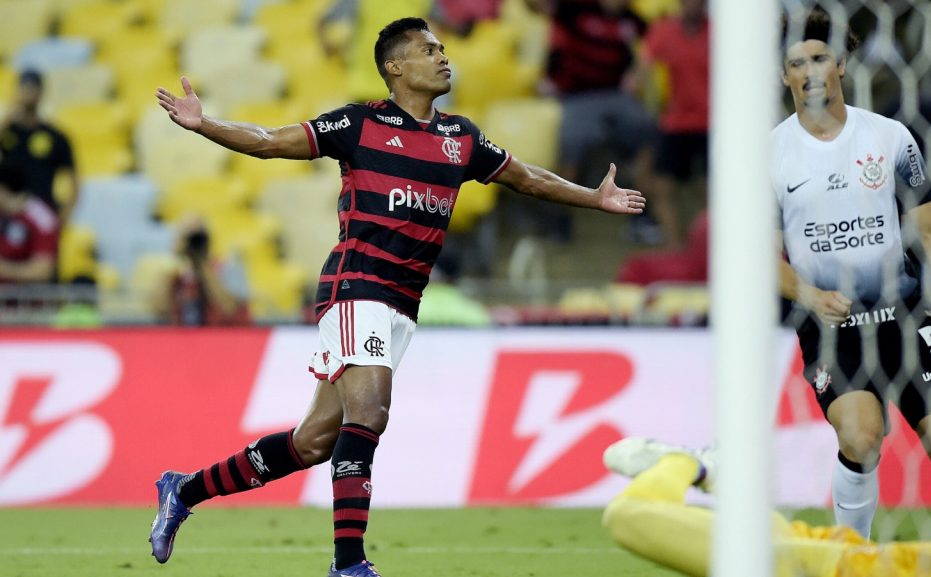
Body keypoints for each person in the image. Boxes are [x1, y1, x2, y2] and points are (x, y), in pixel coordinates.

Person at [150, 16, 645, 577]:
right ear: (396, 67)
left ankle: (184, 490)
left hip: (402, 304)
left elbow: (527, 177)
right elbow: (269, 142)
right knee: (371, 411)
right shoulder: (358, 123)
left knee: (314, 442)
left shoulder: (461, 139)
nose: (442, 56)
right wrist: (203, 124)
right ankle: (348, 564)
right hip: (355, 286)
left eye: (442, 48)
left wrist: (594, 198)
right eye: (428, 49)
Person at [774, 7, 931, 544]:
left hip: (905, 317)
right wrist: (809, 294)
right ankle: (853, 556)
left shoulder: (890, 137)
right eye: (797, 63)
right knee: (862, 434)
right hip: (830, 330)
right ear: (785, 75)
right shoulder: (768, 154)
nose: (810, 71)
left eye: (820, 58)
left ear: (842, 64)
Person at [601, 437, 931, 577]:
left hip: (814, 547)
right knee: (625, 517)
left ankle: (722, 478)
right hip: (788, 566)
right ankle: (688, 464)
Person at [525, 0, 657, 242]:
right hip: (578, 96)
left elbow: (655, 45)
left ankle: (641, 214)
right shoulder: (576, 9)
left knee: (648, 131)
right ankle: (561, 218)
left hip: (616, 94)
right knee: (573, 144)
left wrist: (638, 72)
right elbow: (537, 6)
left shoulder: (633, 20)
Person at [637, 0, 709, 247]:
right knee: (662, 187)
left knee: (714, 190)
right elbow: (643, 66)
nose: (692, 5)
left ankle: (709, 247)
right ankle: (675, 247)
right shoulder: (664, 31)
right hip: (676, 122)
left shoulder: (719, 33)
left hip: (712, 124)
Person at [0, 70, 79, 224]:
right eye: (24, 87)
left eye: (32, 88)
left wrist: (64, 214)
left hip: (43, 210)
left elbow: (74, 180)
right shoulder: (7, 132)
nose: (28, 93)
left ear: (42, 92)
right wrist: (12, 111)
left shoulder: (55, 136)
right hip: (9, 210)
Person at [155, 218, 249, 326]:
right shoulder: (174, 273)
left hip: (222, 337)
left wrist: (202, 264)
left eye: (196, 237)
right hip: (184, 338)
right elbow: (159, 309)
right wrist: (173, 262)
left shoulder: (227, 266)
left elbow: (230, 308)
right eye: (187, 237)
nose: (192, 243)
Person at [0, 162, 59, 284]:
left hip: (25, 300)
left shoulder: (42, 218)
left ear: (4, 190)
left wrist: (5, 269)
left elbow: (42, 270)